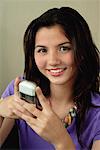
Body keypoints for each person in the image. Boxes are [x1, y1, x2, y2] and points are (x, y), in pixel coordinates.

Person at [0, 7, 100, 150]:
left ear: (82, 51)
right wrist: (0, 110)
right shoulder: (20, 91)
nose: (53, 60)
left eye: (64, 48)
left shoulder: (97, 113)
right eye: (42, 50)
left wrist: (61, 140)